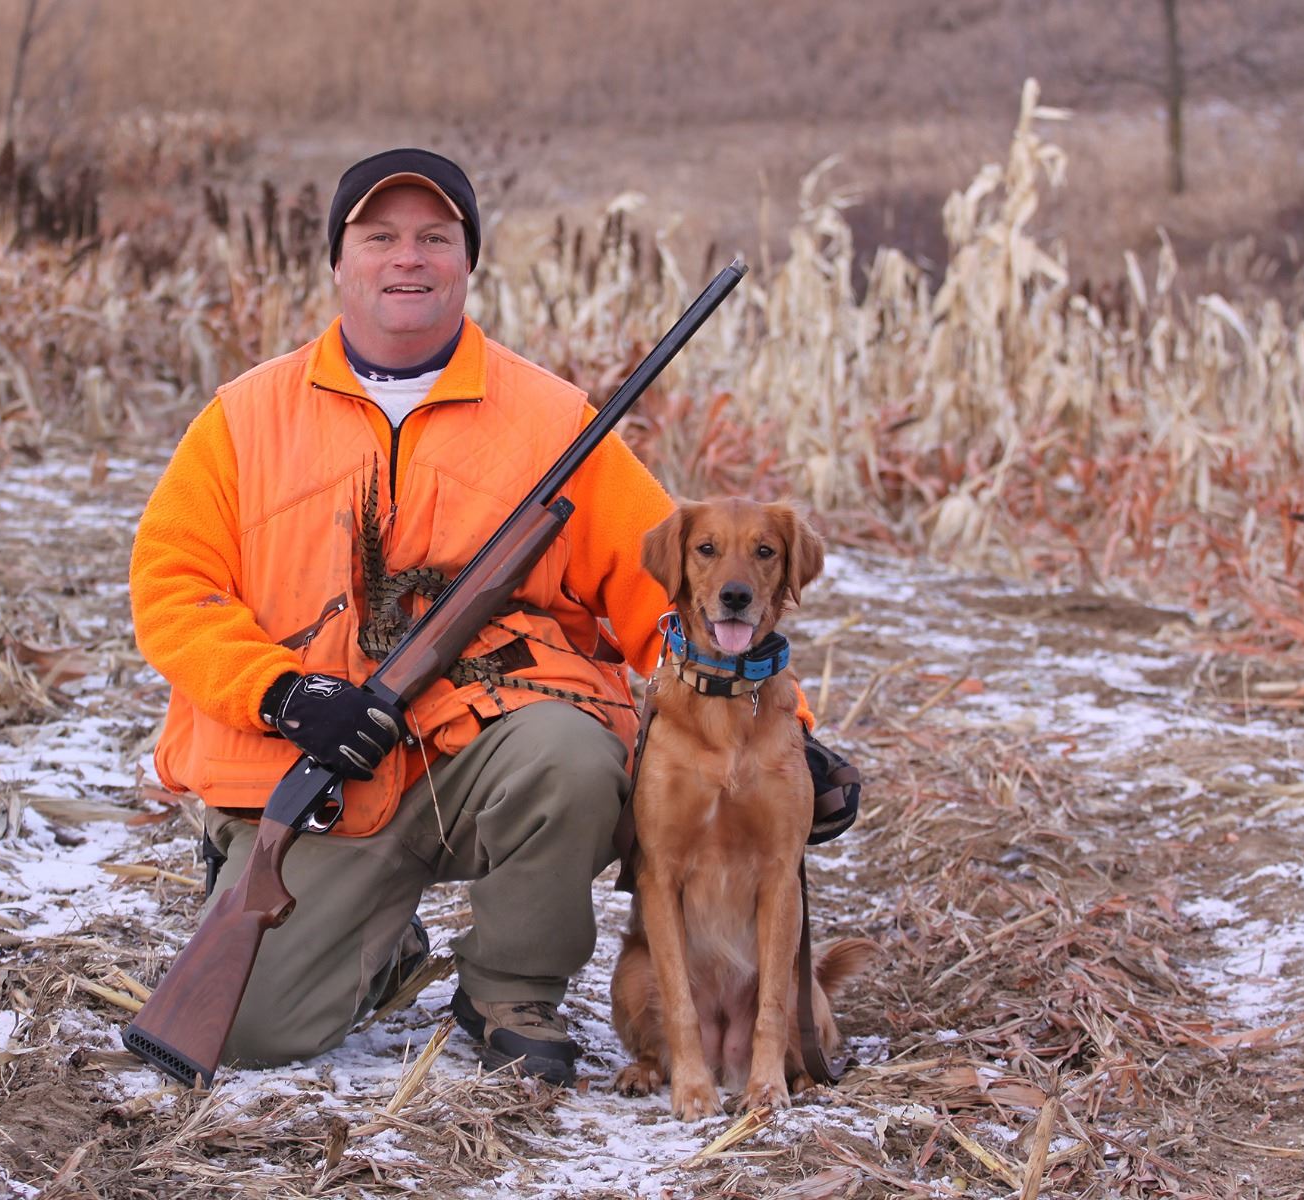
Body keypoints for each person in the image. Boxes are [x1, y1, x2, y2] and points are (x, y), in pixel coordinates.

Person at [130, 148, 857, 1086]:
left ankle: (510, 990)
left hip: (486, 755)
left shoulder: (553, 421)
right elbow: (172, 587)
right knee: (251, 1033)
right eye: (380, 237)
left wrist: (791, 733)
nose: (408, 258)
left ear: (468, 261)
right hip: (321, 775)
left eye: (435, 238)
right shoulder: (244, 419)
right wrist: (282, 694)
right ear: (338, 261)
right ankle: (374, 945)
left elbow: (675, 593)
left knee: (576, 756)